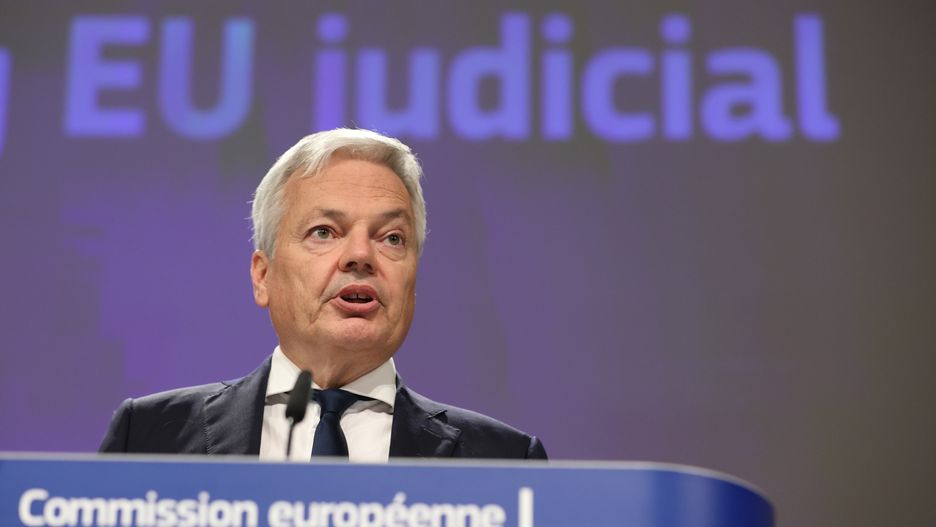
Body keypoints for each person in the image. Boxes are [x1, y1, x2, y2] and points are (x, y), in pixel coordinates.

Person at [99, 128, 547, 461]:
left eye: (392, 238)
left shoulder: (503, 461)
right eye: (324, 231)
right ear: (263, 275)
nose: (360, 255)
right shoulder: (150, 438)